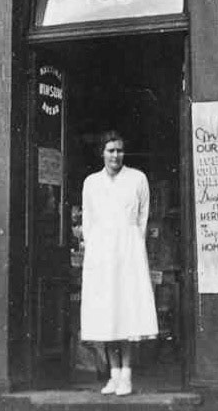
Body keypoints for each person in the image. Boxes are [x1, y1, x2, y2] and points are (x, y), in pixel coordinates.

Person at [80, 130, 158, 396]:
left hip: (128, 252)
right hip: (102, 255)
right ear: (102, 153)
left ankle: (127, 374)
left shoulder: (137, 179)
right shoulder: (91, 183)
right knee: (108, 315)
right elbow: (88, 222)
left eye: (120, 150)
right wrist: (94, 255)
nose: (116, 155)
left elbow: (143, 218)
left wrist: (134, 247)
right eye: (111, 150)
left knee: (128, 312)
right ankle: (113, 374)